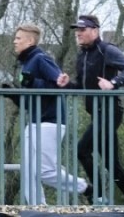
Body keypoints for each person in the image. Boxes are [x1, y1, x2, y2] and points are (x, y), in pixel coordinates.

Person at [56, 14, 124, 204]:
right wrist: (67, 85)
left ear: (95, 30)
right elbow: (82, 89)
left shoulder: (107, 50)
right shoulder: (82, 56)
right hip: (96, 113)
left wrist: (114, 83)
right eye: (77, 30)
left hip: (110, 111)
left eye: (83, 30)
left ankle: (99, 196)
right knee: (111, 163)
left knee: (82, 150)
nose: (79, 33)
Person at [9, 23, 87, 205]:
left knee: (44, 171)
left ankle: (84, 188)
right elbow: (33, 99)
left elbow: (58, 85)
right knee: (27, 171)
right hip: (34, 121)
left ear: (30, 41)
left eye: (18, 38)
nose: (14, 41)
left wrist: (33, 83)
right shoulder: (27, 62)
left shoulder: (40, 59)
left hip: (50, 122)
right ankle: (38, 209)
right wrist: (14, 96)